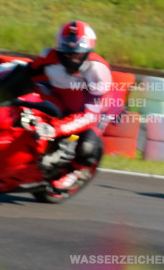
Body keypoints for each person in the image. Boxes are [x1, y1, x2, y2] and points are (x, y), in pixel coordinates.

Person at [21, 20, 112, 190]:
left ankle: (78, 171)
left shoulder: (98, 71)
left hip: (93, 111)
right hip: (61, 100)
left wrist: (55, 129)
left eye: (77, 53)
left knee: (87, 146)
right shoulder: (49, 57)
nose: (72, 57)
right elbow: (25, 72)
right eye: (67, 53)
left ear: (87, 51)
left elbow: (90, 116)